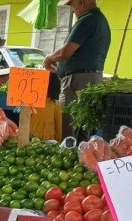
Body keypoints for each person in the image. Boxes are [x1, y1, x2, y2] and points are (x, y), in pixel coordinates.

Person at [43, 0, 110, 135]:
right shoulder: (100, 20)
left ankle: (69, 153)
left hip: (79, 80)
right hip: (89, 77)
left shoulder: (87, 19)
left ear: (82, 2)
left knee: (69, 125)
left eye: (72, 5)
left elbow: (66, 52)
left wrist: (49, 58)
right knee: (83, 127)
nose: (72, 10)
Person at [30, 73, 63, 141]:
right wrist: (58, 141)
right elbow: (58, 127)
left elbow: (19, 112)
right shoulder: (56, 104)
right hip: (48, 140)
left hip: (32, 139)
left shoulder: (31, 102)